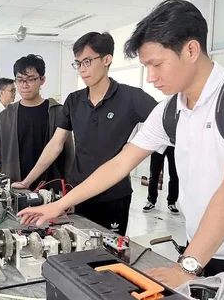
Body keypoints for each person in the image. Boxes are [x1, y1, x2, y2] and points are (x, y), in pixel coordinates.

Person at [18, 0, 224, 287]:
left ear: (191, 50)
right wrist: (58, 205)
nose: (151, 77)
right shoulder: (170, 110)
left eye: (157, 64)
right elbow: (120, 163)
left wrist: (187, 267)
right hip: (200, 250)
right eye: (146, 66)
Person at [13, 32, 158, 236]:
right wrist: (27, 182)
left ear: (107, 59)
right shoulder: (74, 100)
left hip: (113, 195)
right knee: (77, 245)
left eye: (87, 62)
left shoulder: (132, 97)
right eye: (78, 63)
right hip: (78, 192)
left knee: (109, 252)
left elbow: (164, 124)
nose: (82, 69)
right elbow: (55, 145)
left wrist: (135, 147)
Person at [0, 54, 74, 192]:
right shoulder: (6, 116)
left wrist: (68, 187)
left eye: (30, 79)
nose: (24, 85)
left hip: (50, 188)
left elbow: (69, 156)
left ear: (42, 80)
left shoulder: (57, 112)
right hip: (15, 187)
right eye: (20, 80)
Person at [144, 146, 179, 214]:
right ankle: (151, 201)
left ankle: (172, 203)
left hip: (173, 144)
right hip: (159, 143)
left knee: (174, 175)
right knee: (154, 174)